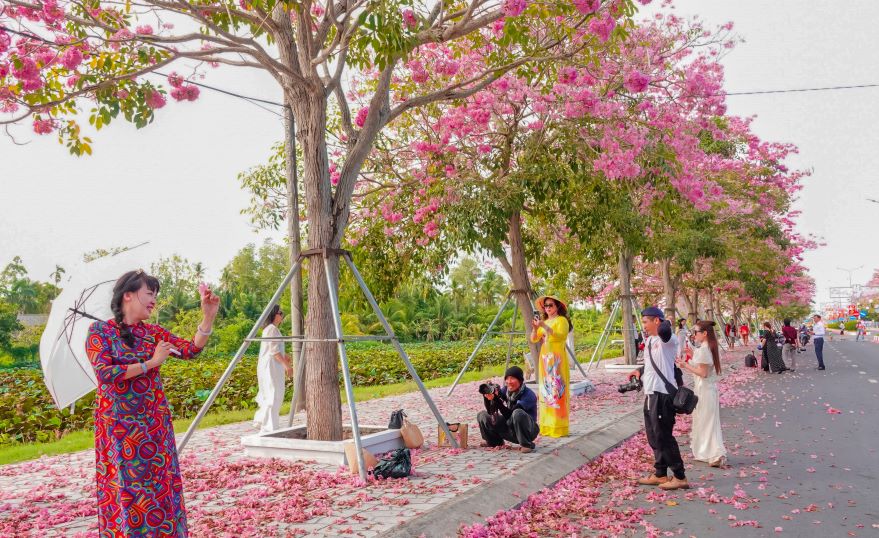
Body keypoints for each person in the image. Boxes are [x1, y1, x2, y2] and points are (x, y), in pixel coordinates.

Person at [85, 269, 219, 536]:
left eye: (155, 294)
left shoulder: (153, 333)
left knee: (160, 488)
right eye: (149, 293)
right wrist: (151, 363)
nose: (154, 300)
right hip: (121, 430)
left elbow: (191, 350)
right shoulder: (100, 331)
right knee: (127, 491)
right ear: (128, 295)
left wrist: (208, 316)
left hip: (155, 426)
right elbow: (105, 373)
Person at [629, 306, 689, 491]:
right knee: (653, 435)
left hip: (663, 394)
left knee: (664, 436)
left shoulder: (668, 340)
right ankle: (660, 473)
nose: (644, 326)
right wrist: (639, 372)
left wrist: (666, 320)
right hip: (650, 392)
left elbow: (665, 330)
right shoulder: (649, 341)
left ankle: (680, 476)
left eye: (646, 321)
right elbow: (651, 365)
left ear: (656, 321)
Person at [676, 320, 727, 467]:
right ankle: (710, 453)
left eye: (696, 332)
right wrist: (692, 356)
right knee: (707, 422)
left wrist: (685, 365)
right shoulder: (707, 347)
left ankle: (716, 454)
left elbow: (703, 373)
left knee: (708, 423)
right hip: (706, 390)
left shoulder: (705, 349)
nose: (694, 335)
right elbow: (702, 368)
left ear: (704, 334)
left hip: (705, 390)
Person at [530, 295, 570, 438]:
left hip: (557, 359)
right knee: (546, 392)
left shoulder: (561, 320)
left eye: (550, 305)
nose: (547, 308)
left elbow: (560, 335)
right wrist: (535, 328)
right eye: (545, 305)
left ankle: (559, 426)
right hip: (545, 360)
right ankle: (547, 426)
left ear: (557, 306)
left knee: (557, 391)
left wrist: (544, 326)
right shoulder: (545, 321)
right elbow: (534, 339)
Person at [477, 366, 539, 453]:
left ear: (520, 381)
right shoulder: (506, 390)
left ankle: (526, 444)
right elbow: (490, 411)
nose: (509, 382)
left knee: (517, 413)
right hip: (511, 427)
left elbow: (510, 414)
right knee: (482, 415)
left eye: (512, 378)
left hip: (528, 430)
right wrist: (488, 397)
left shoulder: (528, 395)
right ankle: (494, 442)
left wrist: (496, 400)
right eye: (507, 378)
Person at [253, 304, 293, 433]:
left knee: (273, 393)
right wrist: (287, 366)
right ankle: (268, 425)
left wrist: (285, 356)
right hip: (271, 366)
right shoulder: (271, 329)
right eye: (280, 313)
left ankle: (266, 423)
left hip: (271, 365)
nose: (282, 315)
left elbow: (274, 348)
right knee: (274, 394)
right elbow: (274, 352)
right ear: (274, 314)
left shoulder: (271, 329)